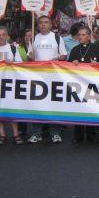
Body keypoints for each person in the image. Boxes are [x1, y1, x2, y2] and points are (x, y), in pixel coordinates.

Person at [27, 16, 67, 144]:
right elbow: (29, 58)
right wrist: (31, 57)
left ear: (51, 25)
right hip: (37, 77)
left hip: (53, 77)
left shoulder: (57, 38)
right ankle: (36, 133)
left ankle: (55, 133)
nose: (43, 25)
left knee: (53, 105)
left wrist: (57, 59)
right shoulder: (34, 38)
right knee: (37, 105)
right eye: (41, 23)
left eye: (46, 22)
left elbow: (64, 55)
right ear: (37, 25)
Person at [67, 26, 99, 143]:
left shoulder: (96, 49)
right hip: (78, 84)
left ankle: (92, 135)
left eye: (83, 35)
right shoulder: (75, 50)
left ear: (88, 36)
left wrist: (97, 64)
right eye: (79, 35)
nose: (80, 37)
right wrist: (73, 63)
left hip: (92, 84)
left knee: (91, 109)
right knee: (79, 109)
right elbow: (67, 66)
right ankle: (78, 136)